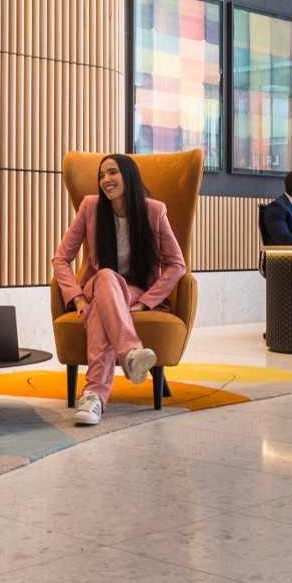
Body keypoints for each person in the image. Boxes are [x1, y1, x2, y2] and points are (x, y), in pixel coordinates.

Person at [52, 153, 185, 426]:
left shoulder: (154, 211)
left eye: (112, 172)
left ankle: (93, 397)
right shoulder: (90, 207)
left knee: (101, 311)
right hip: (97, 284)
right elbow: (60, 259)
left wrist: (146, 302)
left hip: (134, 290)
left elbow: (176, 264)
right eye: (101, 175)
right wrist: (77, 297)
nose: (105, 180)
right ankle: (130, 354)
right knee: (105, 276)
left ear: (129, 176)